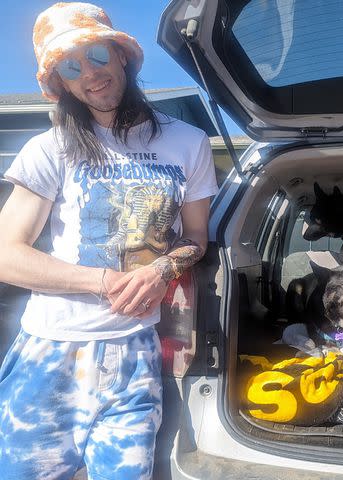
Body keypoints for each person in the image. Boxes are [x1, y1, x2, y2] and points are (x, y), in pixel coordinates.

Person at [0, 2, 218, 479]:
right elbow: (5, 255)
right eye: (71, 67)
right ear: (61, 82)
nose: (90, 74)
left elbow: (197, 236)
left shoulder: (188, 142)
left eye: (97, 54)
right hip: (49, 352)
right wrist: (105, 281)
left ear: (122, 55)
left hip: (135, 355)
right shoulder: (49, 148)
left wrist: (162, 269)